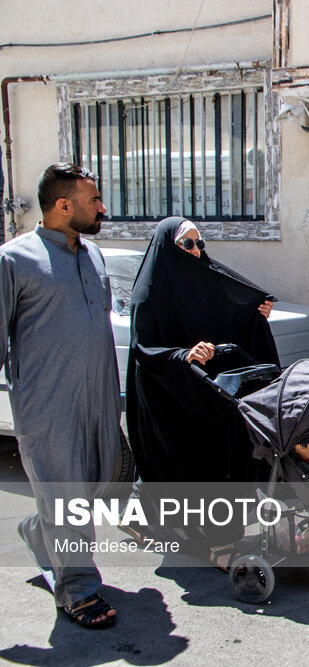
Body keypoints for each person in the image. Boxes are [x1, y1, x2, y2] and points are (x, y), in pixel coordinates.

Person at [1, 163, 120, 628]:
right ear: (63, 205)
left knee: (93, 486)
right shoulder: (14, 260)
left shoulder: (93, 255)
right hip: (47, 404)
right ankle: (79, 591)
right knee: (66, 495)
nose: (102, 208)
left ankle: (39, 531)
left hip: (98, 398)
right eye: (94, 200)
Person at [125, 217, 280, 562]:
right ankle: (219, 544)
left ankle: (156, 522)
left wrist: (255, 313)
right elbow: (145, 347)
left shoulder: (202, 277)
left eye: (200, 244)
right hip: (169, 391)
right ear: (169, 247)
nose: (197, 252)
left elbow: (227, 314)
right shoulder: (150, 291)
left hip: (205, 390)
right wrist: (183, 355)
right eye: (188, 244)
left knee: (224, 453)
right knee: (192, 461)